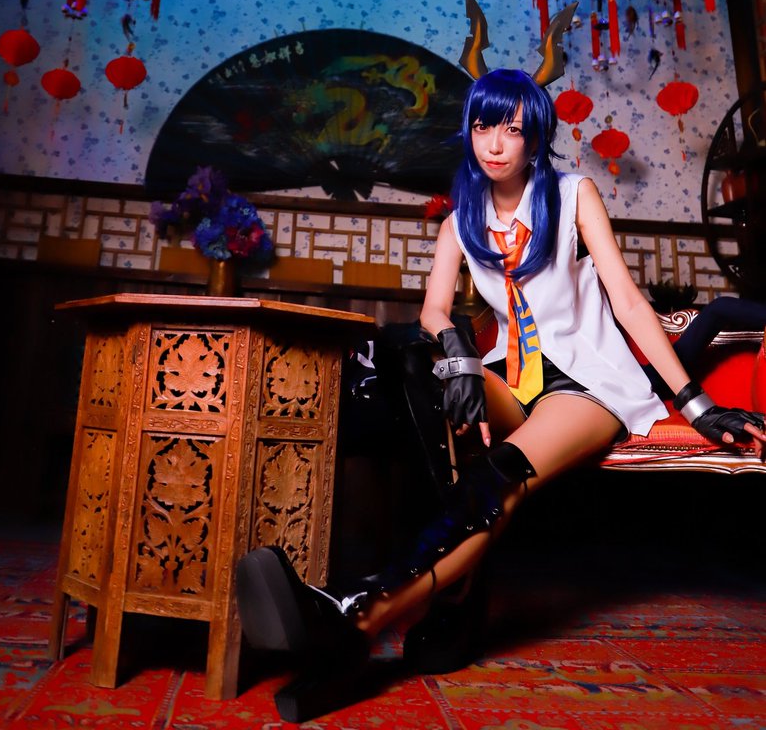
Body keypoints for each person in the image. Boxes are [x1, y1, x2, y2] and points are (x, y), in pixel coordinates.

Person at [235, 68, 766, 723]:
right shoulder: (461, 220)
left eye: (512, 129)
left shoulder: (574, 195)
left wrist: (697, 405)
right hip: (513, 378)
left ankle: (362, 613)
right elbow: (433, 310)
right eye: (485, 125)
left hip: (587, 385)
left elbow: (629, 303)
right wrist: (458, 353)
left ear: (534, 138)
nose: (495, 143)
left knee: (501, 474)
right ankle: (433, 601)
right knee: (412, 364)